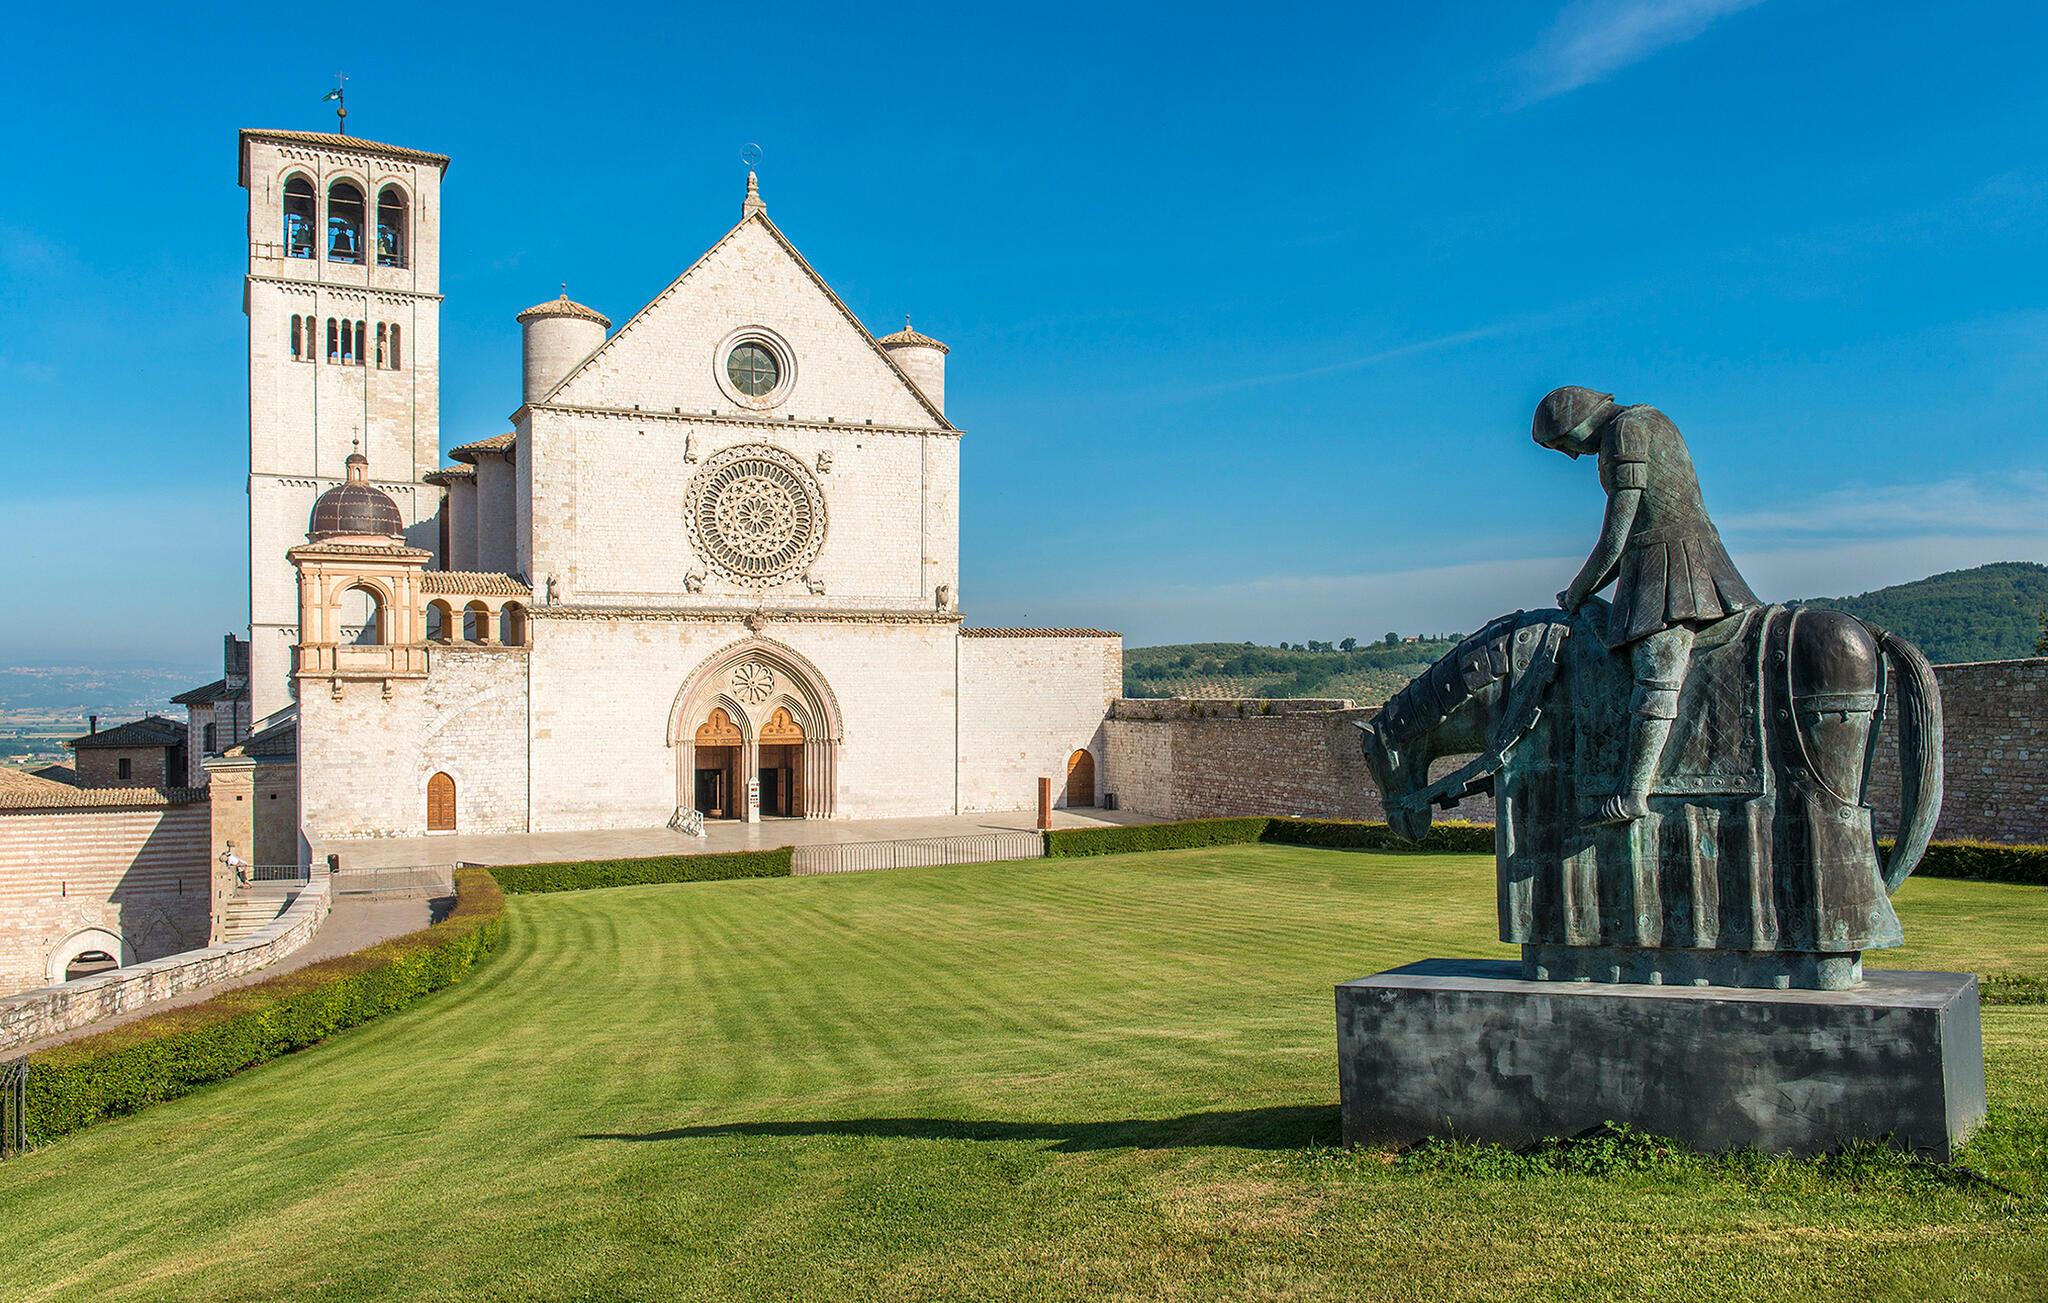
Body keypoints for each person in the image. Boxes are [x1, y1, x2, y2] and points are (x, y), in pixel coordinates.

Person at [1533, 387, 1760, 825]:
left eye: (1563, 443)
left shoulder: (1626, 432)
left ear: (1580, 421)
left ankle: (1633, 792)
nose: (1570, 455)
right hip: (1660, 559)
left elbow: (1615, 539)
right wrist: (1583, 590)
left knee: (1657, 675)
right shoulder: (1643, 421)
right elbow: (1626, 544)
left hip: (1675, 566)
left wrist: (1577, 591)